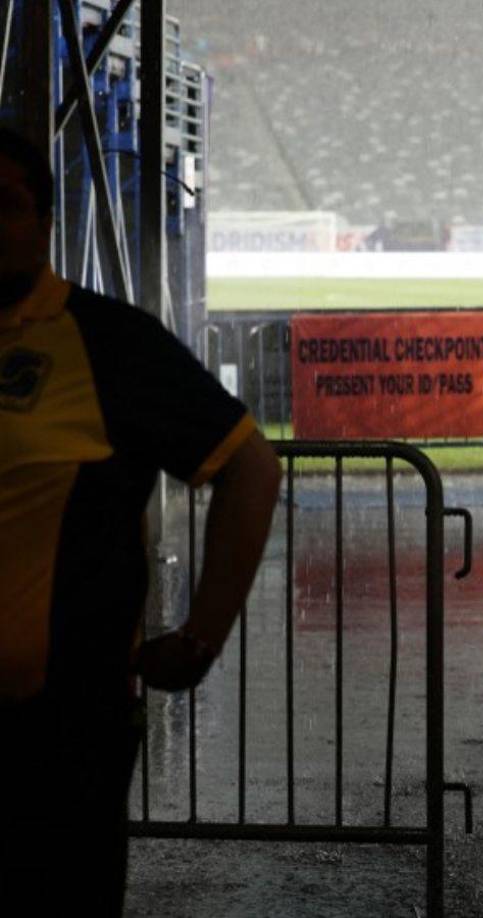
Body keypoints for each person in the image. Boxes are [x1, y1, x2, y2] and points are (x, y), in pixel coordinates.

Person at [0, 127, 282, 914]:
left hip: (58, 731)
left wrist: (202, 634)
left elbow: (250, 466)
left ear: (46, 222)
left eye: (7, 204)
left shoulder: (104, 343)